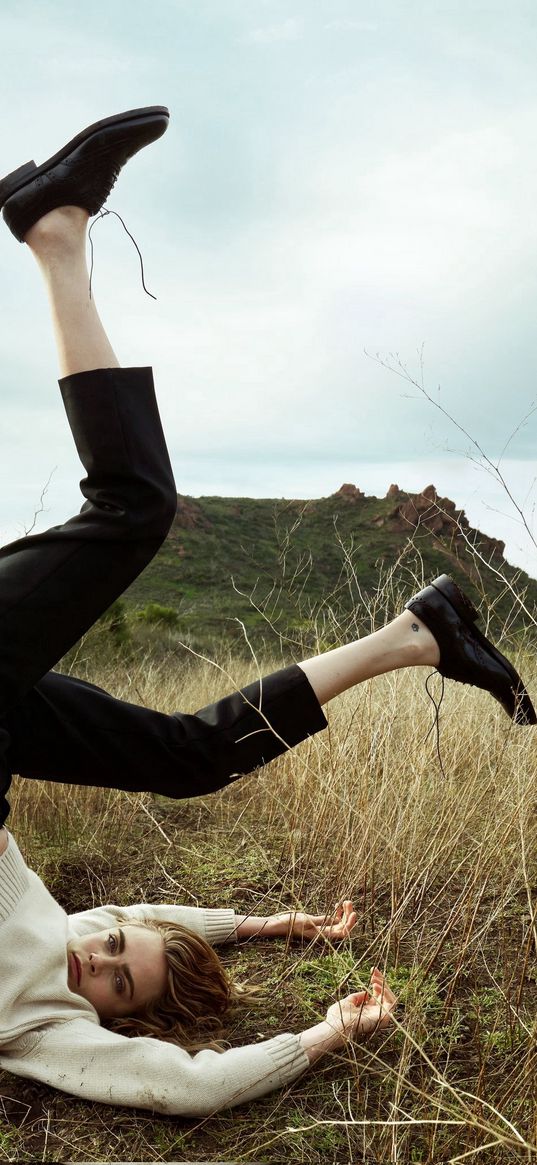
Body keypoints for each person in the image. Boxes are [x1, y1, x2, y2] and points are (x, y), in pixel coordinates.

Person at [0, 107, 533, 1119]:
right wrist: (268, 924)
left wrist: (320, 1034)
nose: (94, 955)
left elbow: (193, 1087)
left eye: (114, 978)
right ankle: (413, 635)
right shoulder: (66, 931)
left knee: (133, 510)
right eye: (115, 950)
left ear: (113, 1024)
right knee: (191, 752)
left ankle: (55, 230)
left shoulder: (43, 1028)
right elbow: (146, 910)